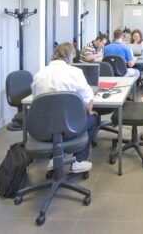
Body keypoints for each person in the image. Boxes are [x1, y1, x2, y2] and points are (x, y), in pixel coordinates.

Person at [31, 42, 100, 173]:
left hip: (43, 131)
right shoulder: (75, 72)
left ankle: (54, 158)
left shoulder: (39, 74)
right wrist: (90, 111)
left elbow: (36, 102)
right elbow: (88, 102)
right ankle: (79, 161)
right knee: (94, 118)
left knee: (53, 118)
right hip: (70, 129)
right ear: (70, 56)